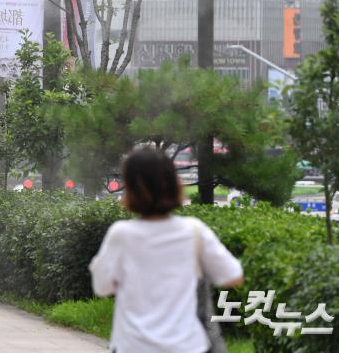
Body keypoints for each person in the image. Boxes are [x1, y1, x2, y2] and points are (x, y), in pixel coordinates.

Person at [89, 148, 243, 353]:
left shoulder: (121, 235)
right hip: (187, 346)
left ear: (131, 189)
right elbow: (233, 276)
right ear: (173, 185)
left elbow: (102, 287)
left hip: (134, 346)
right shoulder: (194, 231)